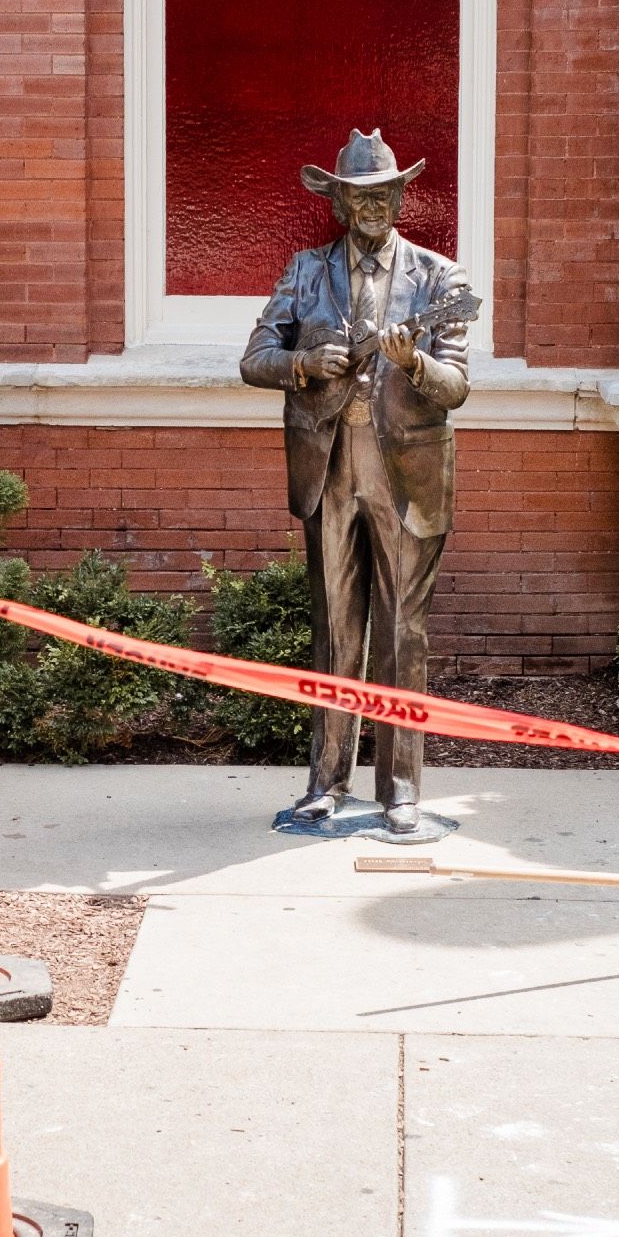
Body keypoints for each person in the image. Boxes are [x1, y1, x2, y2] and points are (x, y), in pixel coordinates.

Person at [239, 129, 472, 833]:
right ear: (338, 200)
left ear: (402, 195)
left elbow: (456, 384)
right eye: (359, 193)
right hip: (330, 466)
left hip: (406, 472)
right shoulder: (305, 271)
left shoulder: (439, 279)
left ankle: (400, 788)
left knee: (404, 630)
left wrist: (413, 364)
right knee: (334, 627)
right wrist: (304, 364)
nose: (374, 204)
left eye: (385, 192)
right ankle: (325, 782)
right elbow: (254, 358)